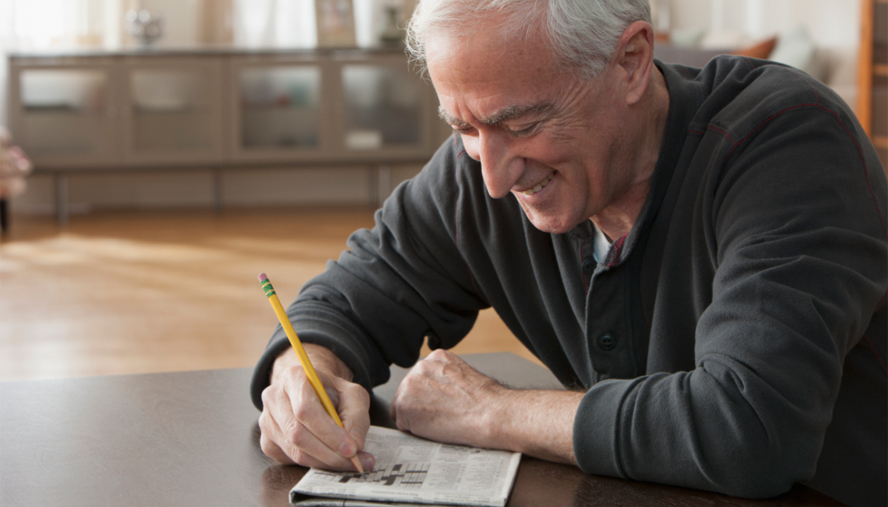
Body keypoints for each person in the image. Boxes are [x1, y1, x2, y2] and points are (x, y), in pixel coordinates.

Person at [250, 1, 887, 506]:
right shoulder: (487, 166)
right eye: (465, 128)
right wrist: (303, 377)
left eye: (523, 123)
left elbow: (748, 430)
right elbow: (357, 290)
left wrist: (492, 411)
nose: (494, 177)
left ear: (631, 61)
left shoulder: (789, 144)